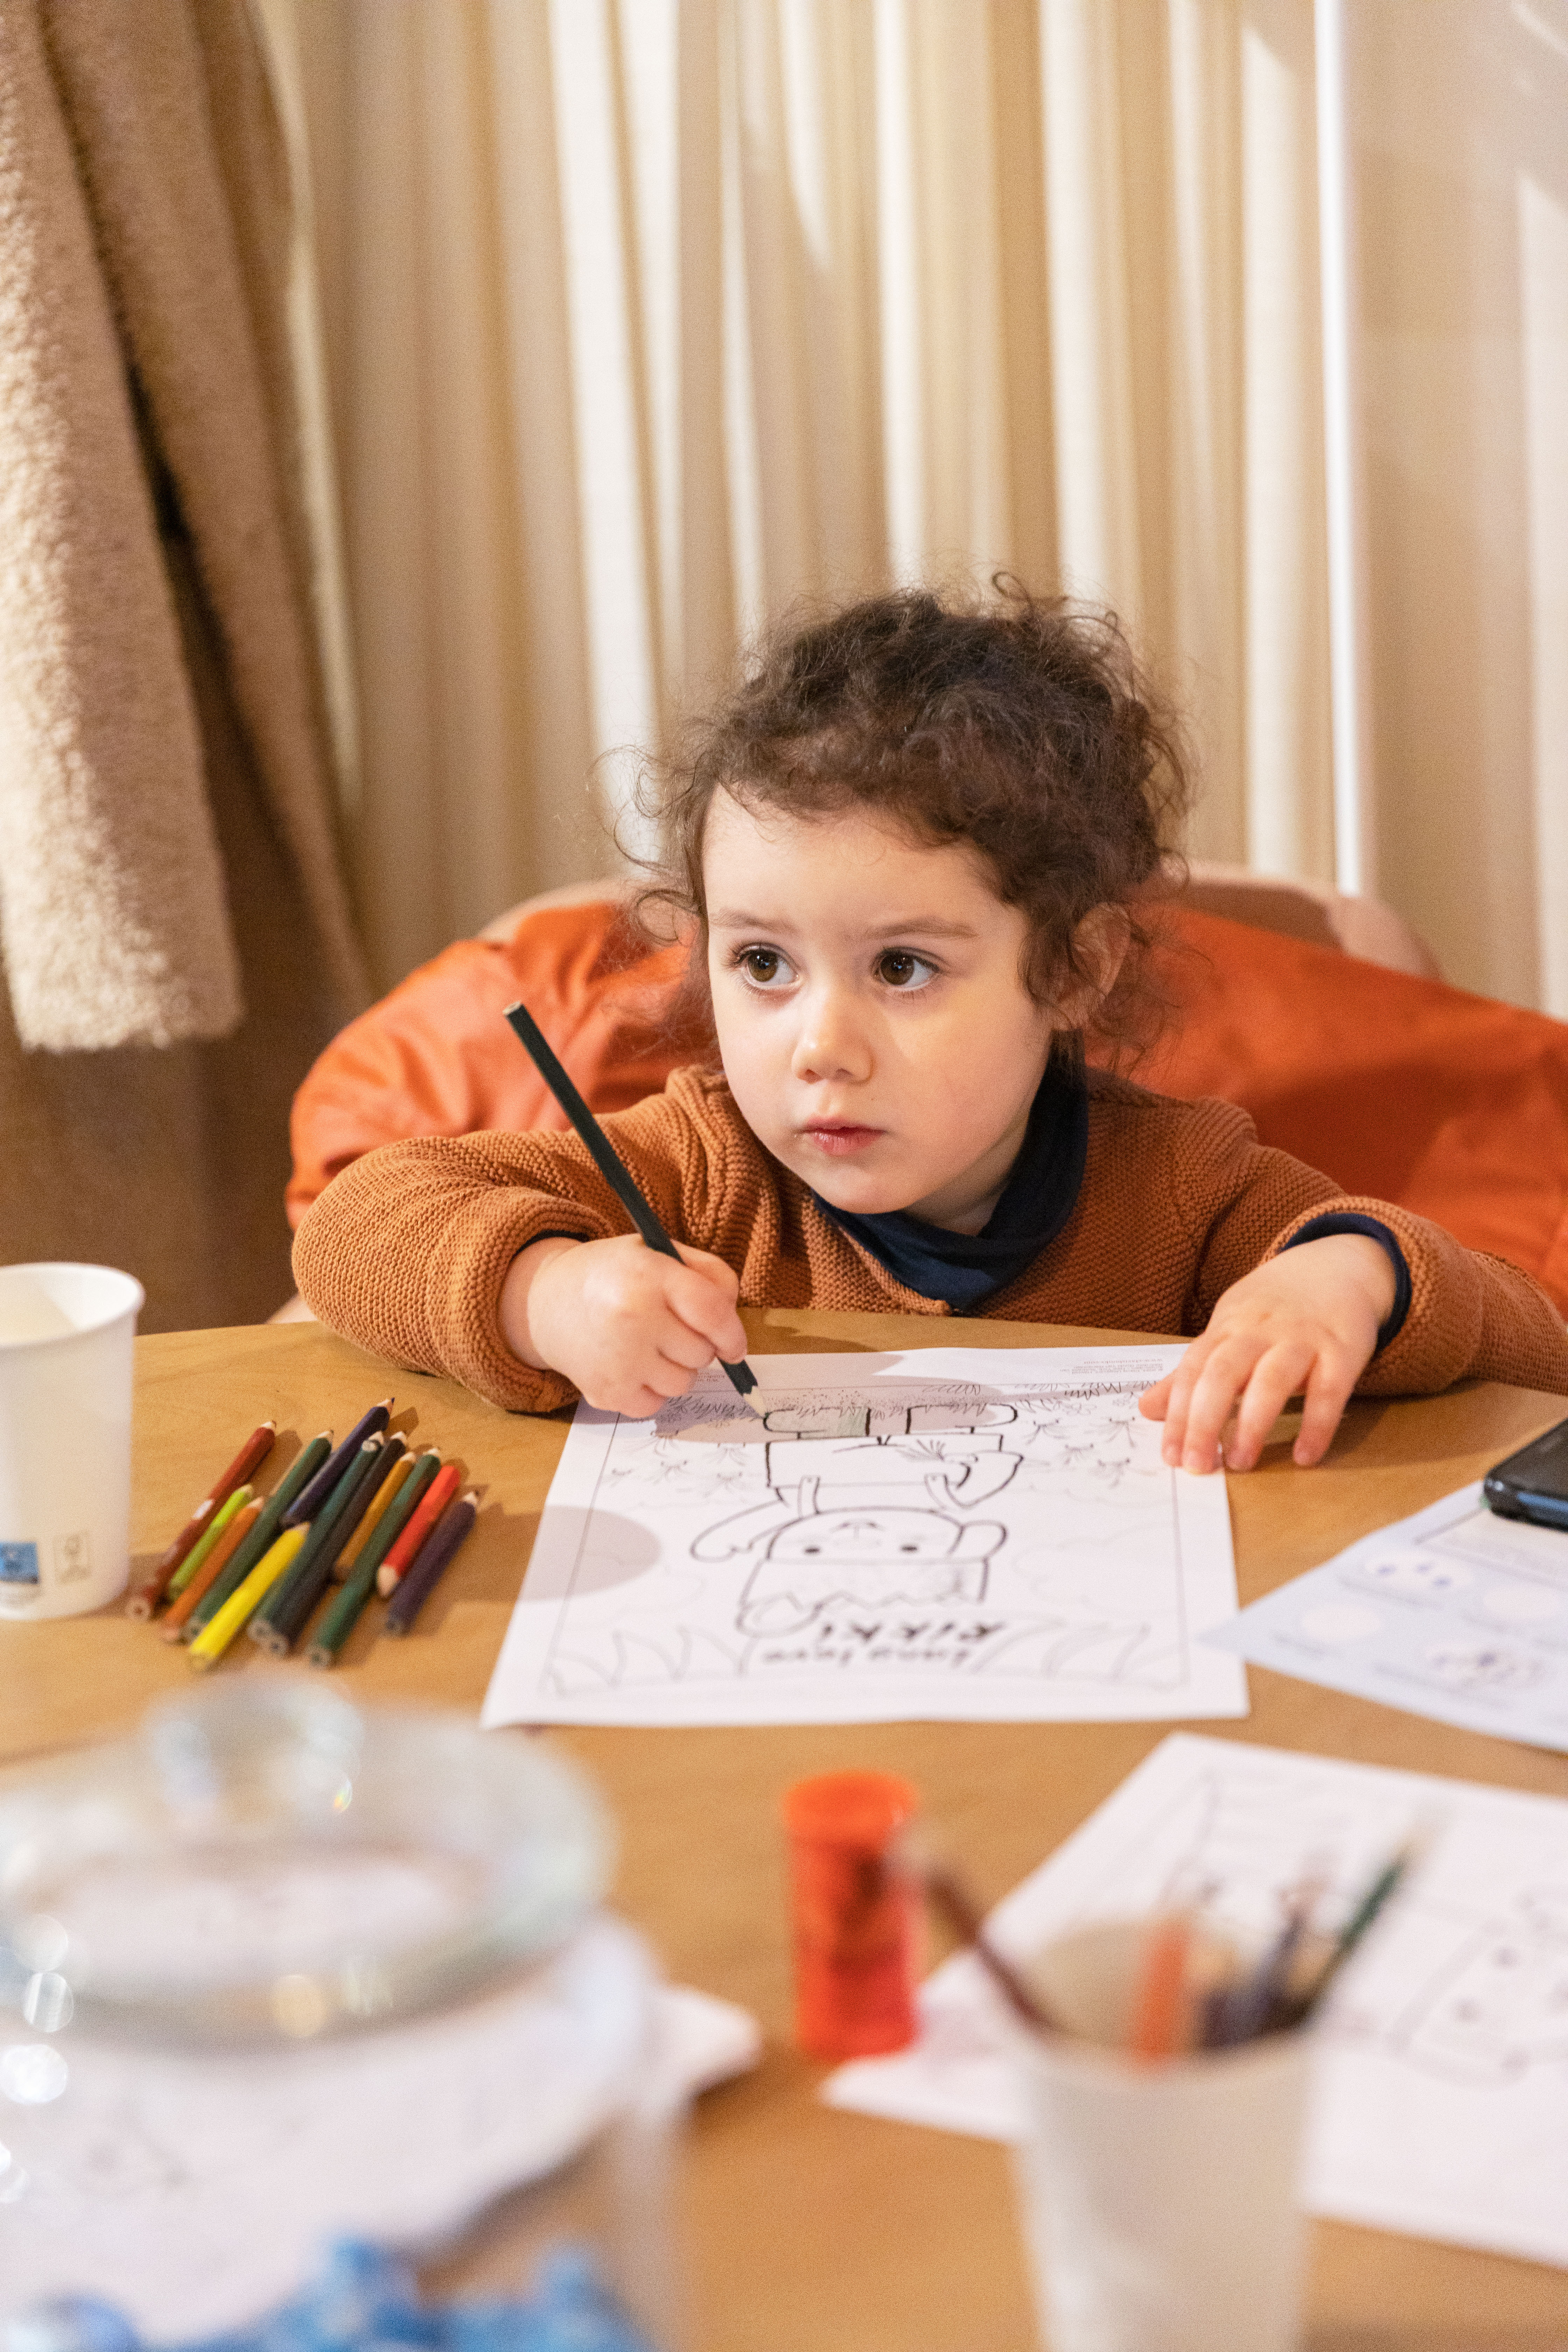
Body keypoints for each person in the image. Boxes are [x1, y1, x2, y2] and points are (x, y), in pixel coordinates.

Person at [293, 587, 1568, 1469]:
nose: (820, 1046)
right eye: (762, 963)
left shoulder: (1183, 1190)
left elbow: (1532, 1344)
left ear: (1071, 970)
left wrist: (1354, 1277)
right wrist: (546, 1291)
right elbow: (353, 1228)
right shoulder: (700, 1168)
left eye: (902, 968)